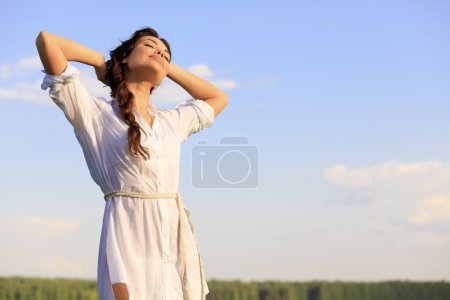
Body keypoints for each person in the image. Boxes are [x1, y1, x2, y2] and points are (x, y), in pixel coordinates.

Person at [35, 27, 228, 300]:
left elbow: (218, 98)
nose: (160, 51)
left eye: (166, 52)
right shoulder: (94, 114)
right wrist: (104, 64)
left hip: (173, 242)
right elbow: (48, 41)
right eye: (150, 45)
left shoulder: (172, 121)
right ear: (125, 58)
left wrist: (165, 66)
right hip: (127, 238)